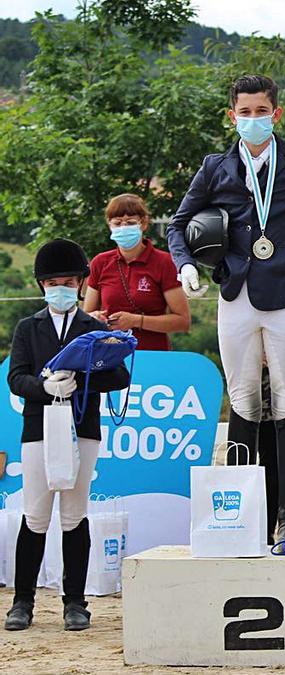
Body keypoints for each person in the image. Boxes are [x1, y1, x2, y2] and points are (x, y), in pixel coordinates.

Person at [166, 74, 285, 545]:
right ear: (232, 116)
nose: (253, 120)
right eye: (244, 112)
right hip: (236, 296)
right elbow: (178, 224)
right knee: (246, 401)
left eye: (261, 111)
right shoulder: (216, 167)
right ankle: (241, 512)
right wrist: (185, 265)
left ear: (276, 114)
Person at [5, 239, 131, 632]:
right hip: (38, 427)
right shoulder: (28, 327)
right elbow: (16, 377)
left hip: (81, 429)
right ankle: (22, 600)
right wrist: (47, 388)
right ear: (42, 285)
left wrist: (82, 380)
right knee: (36, 514)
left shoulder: (92, 328)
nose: (60, 287)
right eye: (52, 281)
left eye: (68, 281)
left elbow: (119, 375)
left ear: (80, 284)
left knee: (75, 515)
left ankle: (75, 602)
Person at [84, 193, 191, 349]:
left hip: (152, 355)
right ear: (109, 225)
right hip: (108, 353)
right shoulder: (100, 262)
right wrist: (95, 318)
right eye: (117, 223)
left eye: (130, 222)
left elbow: (182, 321)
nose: (123, 228)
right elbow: (86, 315)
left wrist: (136, 321)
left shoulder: (165, 262)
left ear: (144, 223)